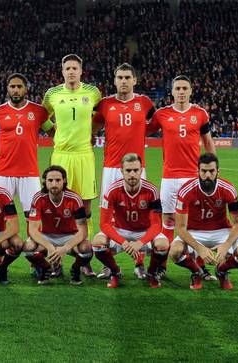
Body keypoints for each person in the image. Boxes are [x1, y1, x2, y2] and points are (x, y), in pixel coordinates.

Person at [0, 73, 53, 278]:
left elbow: (53, 133)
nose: (15, 90)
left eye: (19, 86)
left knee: (34, 221)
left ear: (26, 89)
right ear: (7, 89)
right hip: (3, 174)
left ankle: (35, 262)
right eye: (12, 86)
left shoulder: (38, 112)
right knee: (0, 221)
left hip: (29, 175)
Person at [147, 75, 217, 279]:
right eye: (177, 88)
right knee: (168, 220)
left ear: (190, 90)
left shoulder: (200, 114)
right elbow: (144, 130)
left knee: (195, 222)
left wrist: (212, 170)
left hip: (193, 177)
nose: (181, 92)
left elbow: (208, 142)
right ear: (172, 91)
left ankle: (200, 267)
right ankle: (162, 266)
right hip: (169, 177)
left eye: (184, 88)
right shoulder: (162, 114)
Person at [92, 63, 156, 279]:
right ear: (114, 80)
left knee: (142, 216)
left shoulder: (145, 102)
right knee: (108, 218)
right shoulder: (104, 104)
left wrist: (141, 133)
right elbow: (93, 127)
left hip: (138, 168)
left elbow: (156, 123)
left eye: (128, 77)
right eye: (120, 77)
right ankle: (109, 265)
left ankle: (139, 262)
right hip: (111, 167)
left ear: (134, 80)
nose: (124, 81)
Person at [42, 54, 101, 257]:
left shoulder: (93, 92)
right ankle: (56, 252)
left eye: (75, 68)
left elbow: (99, 116)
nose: (71, 72)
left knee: (85, 205)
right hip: (61, 156)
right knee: (57, 202)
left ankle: (84, 253)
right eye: (67, 68)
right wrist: (52, 131)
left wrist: (92, 132)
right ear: (62, 71)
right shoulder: (53, 93)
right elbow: (42, 116)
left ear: (81, 71)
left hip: (84, 155)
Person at [170, 153, 238, 290]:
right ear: (198, 171)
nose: (207, 175)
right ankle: (196, 271)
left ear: (217, 172)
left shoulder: (228, 190)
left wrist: (226, 245)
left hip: (221, 231)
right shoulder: (186, 191)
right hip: (193, 231)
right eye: (204, 171)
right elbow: (180, 227)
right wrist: (199, 248)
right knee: (174, 252)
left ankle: (222, 270)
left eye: (211, 171)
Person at [93, 153, 168, 288]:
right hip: (120, 231)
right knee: (97, 244)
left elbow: (157, 225)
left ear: (141, 171)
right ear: (122, 171)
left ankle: (151, 274)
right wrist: (123, 242)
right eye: (128, 170)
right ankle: (115, 272)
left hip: (143, 231)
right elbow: (104, 224)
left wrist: (140, 242)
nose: (132, 174)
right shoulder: (112, 190)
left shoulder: (152, 191)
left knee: (163, 244)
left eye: (136, 170)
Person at [22, 165, 92, 285]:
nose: (54, 184)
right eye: (50, 180)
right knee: (28, 247)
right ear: (45, 181)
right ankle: (45, 267)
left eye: (58, 180)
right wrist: (49, 246)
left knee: (87, 248)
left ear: (64, 181)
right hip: (47, 236)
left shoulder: (74, 199)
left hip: (69, 236)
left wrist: (65, 248)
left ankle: (75, 269)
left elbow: (83, 231)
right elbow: (33, 229)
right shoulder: (38, 198)